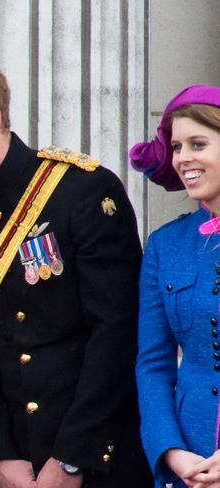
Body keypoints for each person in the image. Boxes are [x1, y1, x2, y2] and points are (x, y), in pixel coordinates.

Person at [0, 51, 153, 488]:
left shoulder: (82, 190)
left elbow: (116, 333)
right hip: (14, 463)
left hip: (98, 456)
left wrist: (73, 459)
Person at [132, 84, 220, 488]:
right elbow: (152, 365)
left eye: (197, 143)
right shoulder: (165, 245)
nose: (183, 158)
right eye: (177, 146)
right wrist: (170, 450)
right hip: (190, 465)